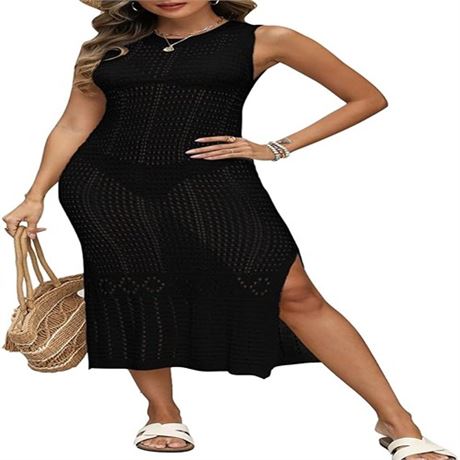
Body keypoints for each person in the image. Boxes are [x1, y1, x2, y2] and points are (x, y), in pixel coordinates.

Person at [2, 1, 456, 458]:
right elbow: (74, 124)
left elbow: (366, 98)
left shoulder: (266, 39)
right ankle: (162, 412)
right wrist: (35, 194)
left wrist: (277, 147)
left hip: (212, 180)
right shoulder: (110, 47)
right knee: (139, 292)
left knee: (295, 292)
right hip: (106, 185)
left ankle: (397, 421)